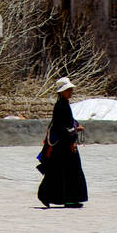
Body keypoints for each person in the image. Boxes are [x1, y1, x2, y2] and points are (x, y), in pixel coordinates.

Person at [37, 76, 88, 208]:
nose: (71, 92)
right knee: (67, 170)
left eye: (71, 89)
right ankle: (67, 198)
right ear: (62, 91)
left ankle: (59, 197)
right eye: (69, 90)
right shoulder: (61, 106)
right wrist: (73, 138)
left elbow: (68, 122)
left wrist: (75, 127)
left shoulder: (63, 104)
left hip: (63, 142)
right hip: (63, 144)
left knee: (61, 171)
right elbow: (64, 126)